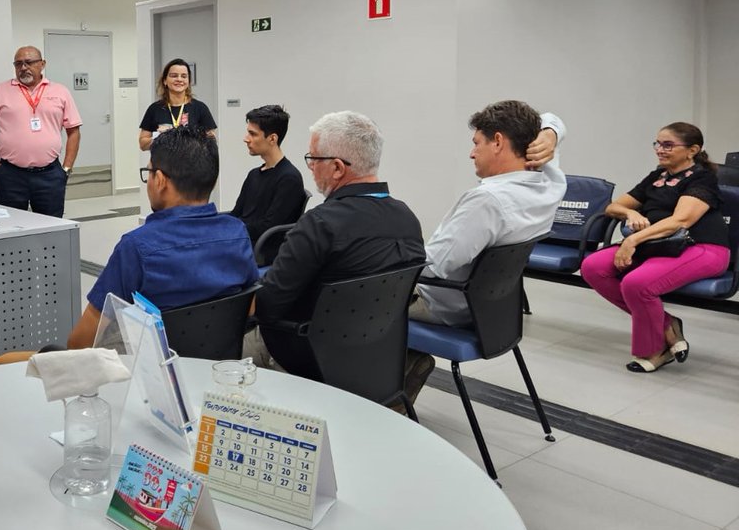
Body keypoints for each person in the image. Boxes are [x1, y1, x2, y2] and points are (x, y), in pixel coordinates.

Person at [0, 126, 259, 365]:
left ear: (161, 180)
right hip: (213, 370)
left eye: (149, 172)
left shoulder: (138, 247)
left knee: (3, 361)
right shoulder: (237, 233)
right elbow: (247, 307)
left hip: (146, 373)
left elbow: (80, 343)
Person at [404, 100, 566, 403]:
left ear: (499, 142)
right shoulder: (550, 184)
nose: (471, 152)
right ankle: (408, 363)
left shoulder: (486, 201)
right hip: (493, 309)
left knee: (354, 299)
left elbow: (432, 267)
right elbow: (552, 118)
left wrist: (383, 262)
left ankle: (388, 393)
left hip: (444, 304)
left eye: (477, 143)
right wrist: (551, 134)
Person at [250, 111, 426, 382]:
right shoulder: (407, 219)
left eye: (312, 159)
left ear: (337, 168)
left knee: (227, 350)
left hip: (308, 354)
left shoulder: (318, 225)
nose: (309, 167)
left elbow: (267, 307)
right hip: (379, 351)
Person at [580, 122, 730, 373]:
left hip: (701, 247)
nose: (660, 149)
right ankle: (666, 325)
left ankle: (655, 350)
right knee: (592, 267)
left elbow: (681, 221)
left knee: (637, 284)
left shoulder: (703, 179)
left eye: (668, 145)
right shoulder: (657, 176)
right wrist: (631, 212)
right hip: (659, 244)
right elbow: (613, 207)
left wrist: (632, 240)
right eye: (658, 143)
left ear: (692, 150)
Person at [0, 46, 82, 218]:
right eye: (18, 64)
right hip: (11, 175)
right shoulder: (0, 91)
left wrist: (66, 169)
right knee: (9, 229)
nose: (23, 67)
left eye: (29, 62)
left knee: (51, 228)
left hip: (50, 174)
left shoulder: (60, 92)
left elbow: (73, 131)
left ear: (42, 64)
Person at [228, 104, 306, 245]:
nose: (246, 139)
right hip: (242, 242)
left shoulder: (289, 178)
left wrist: (230, 231)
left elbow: (269, 227)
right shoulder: (253, 175)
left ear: (272, 139)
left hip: (260, 249)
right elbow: (236, 213)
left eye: (253, 134)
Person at [139, 58, 217, 151]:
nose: (179, 79)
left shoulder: (200, 108)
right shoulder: (154, 109)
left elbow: (211, 142)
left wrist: (189, 137)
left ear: (188, 82)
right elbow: (142, 145)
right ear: (165, 81)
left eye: (184, 76)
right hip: (162, 164)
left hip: (191, 164)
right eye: (174, 76)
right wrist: (160, 137)